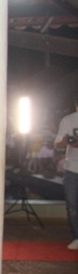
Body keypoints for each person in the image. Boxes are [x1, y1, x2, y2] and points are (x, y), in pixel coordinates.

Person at [54, 96, 78, 250]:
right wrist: (64, 142)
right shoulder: (68, 120)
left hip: (71, 167)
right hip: (72, 167)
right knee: (72, 205)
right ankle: (77, 236)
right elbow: (57, 144)